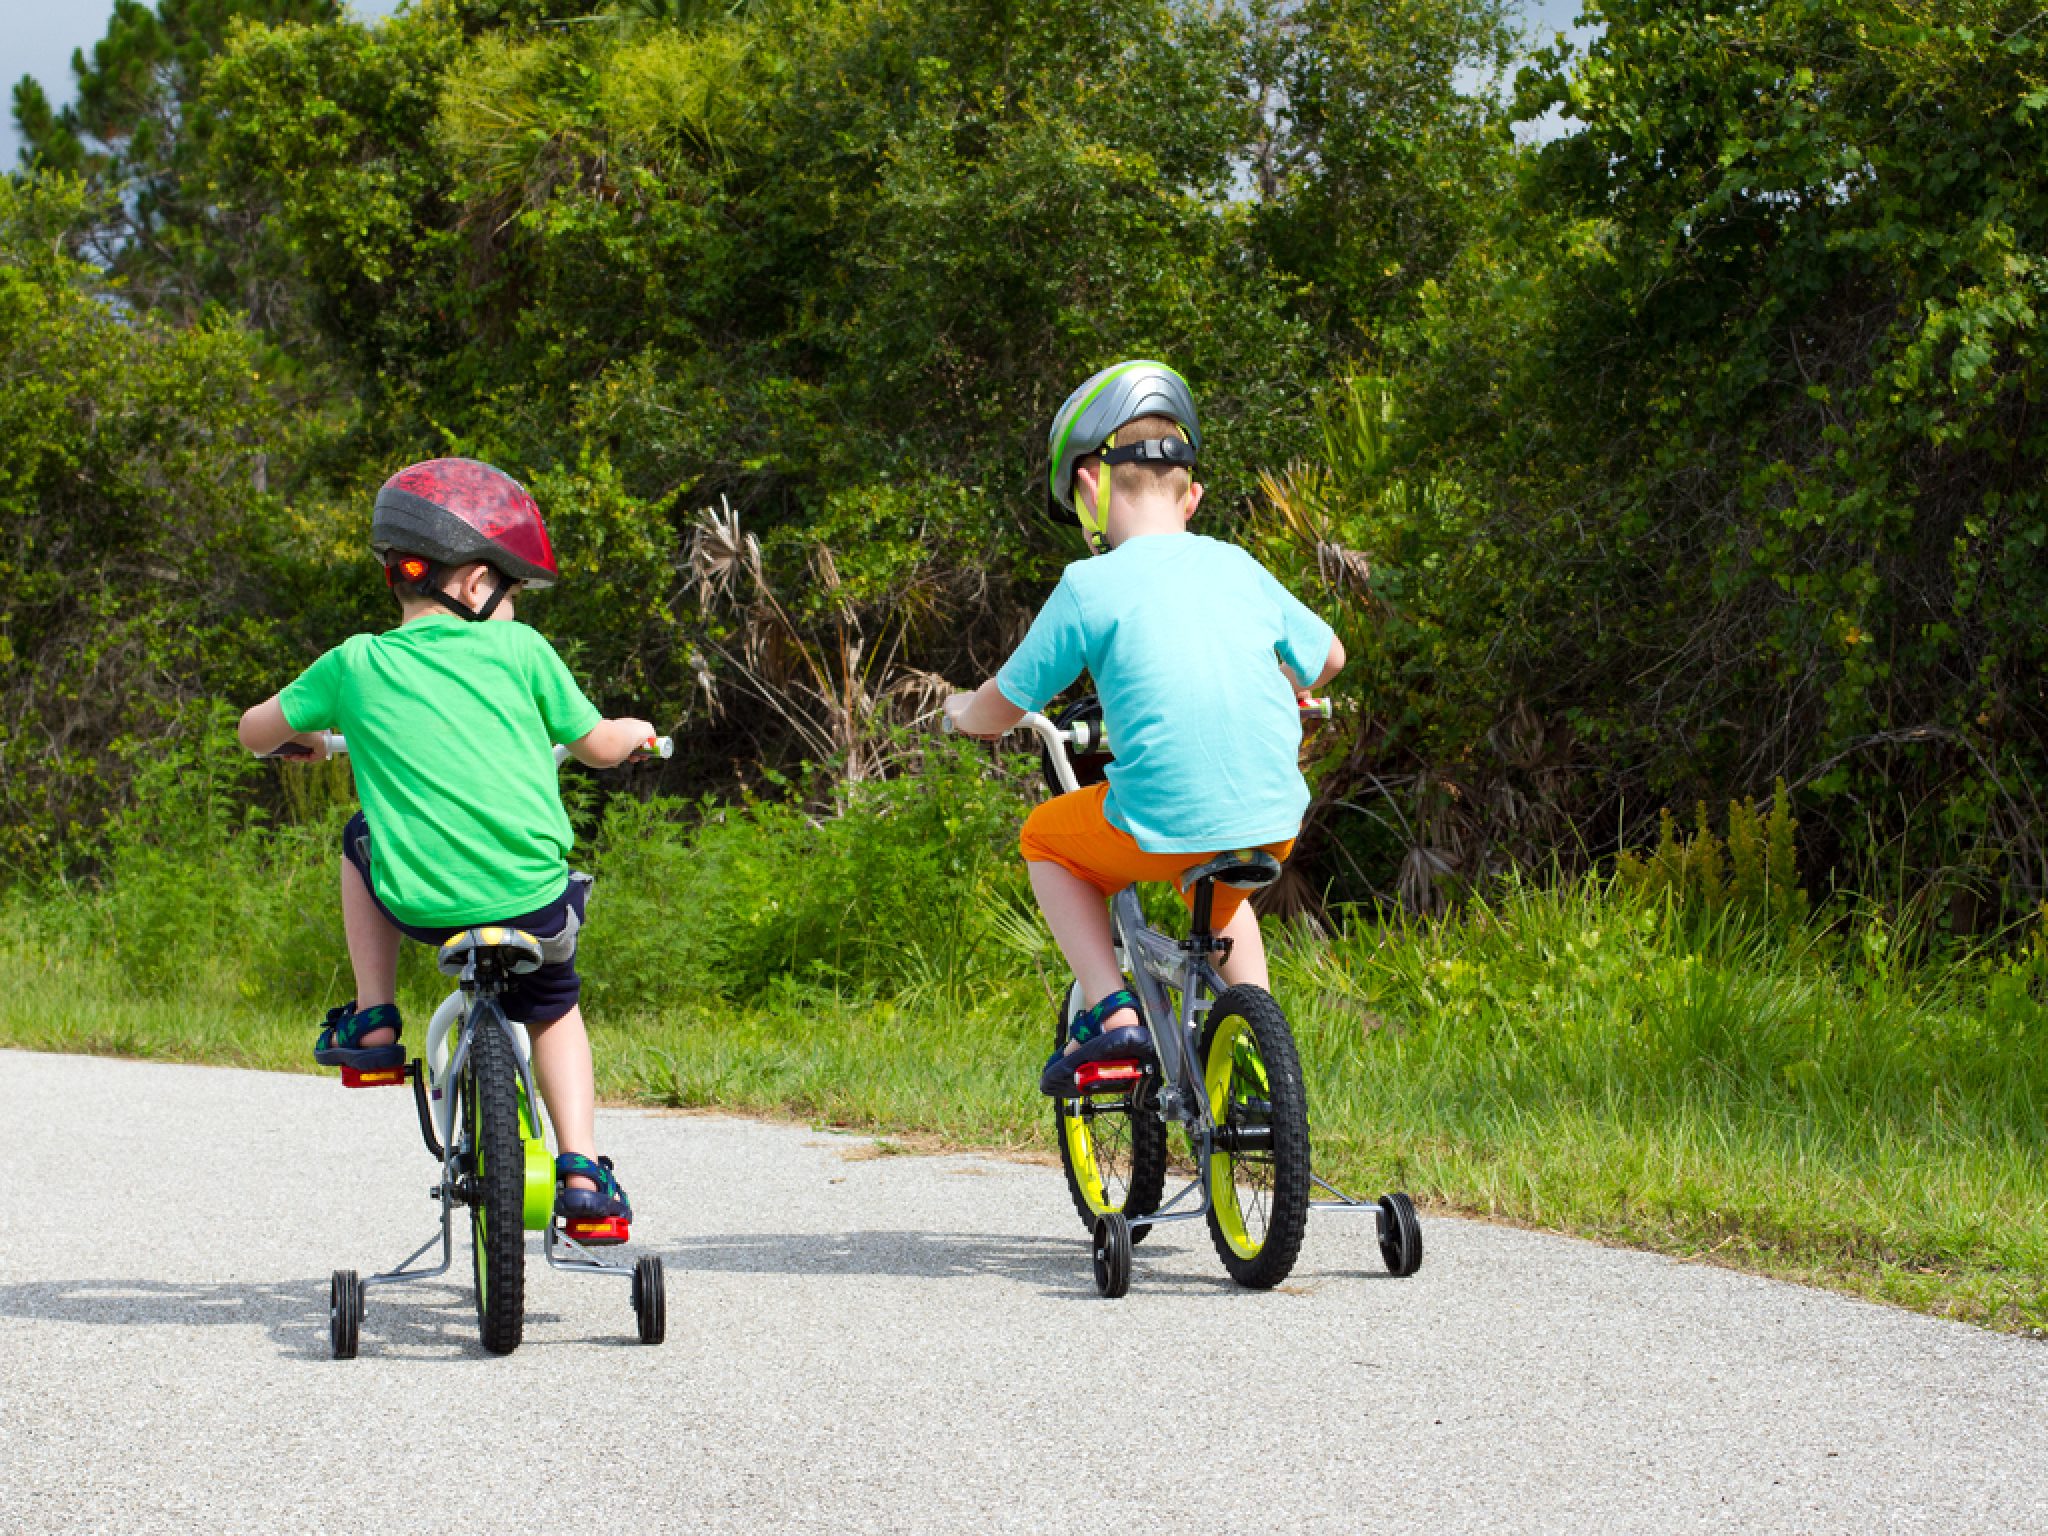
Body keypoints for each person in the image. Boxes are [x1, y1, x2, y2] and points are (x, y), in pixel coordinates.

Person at [236, 458, 654, 1236]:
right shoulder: (523, 654)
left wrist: (299, 735)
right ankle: (584, 1173)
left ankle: (374, 1019)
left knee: (360, 836)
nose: (515, 608)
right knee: (555, 1008)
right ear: (471, 586)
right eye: (512, 592)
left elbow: (254, 731)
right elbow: (596, 744)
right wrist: (636, 735)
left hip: (422, 905)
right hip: (532, 905)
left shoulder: (354, 662)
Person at [944, 361, 1345, 1095]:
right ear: (1191, 495)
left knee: (1045, 840)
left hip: (1160, 819)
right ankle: (1258, 1063)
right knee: (1229, 905)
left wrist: (963, 712)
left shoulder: (1089, 585)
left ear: (1090, 486)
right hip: (1273, 820)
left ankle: (1112, 1011)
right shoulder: (1240, 566)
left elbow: (1005, 701)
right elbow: (1329, 658)